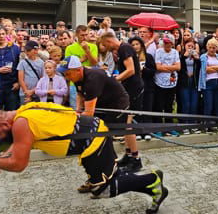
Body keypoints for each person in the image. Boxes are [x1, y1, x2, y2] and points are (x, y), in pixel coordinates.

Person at [0, 102, 168, 214]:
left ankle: (152, 179)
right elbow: (17, 146)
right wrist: (2, 158)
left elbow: (19, 164)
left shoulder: (21, 124)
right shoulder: (24, 110)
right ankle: (153, 188)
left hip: (92, 140)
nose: (0, 138)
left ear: (4, 123)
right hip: (90, 135)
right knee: (103, 181)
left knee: (103, 189)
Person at [58, 56, 145, 176]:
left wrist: (73, 117)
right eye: (65, 74)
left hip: (117, 102)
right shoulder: (77, 76)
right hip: (104, 102)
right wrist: (78, 109)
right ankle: (127, 156)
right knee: (114, 130)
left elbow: (89, 114)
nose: (66, 77)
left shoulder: (92, 80)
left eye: (68, 74)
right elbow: (79, 94)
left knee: (120, 129)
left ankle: (134, 159)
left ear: (78, 70)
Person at [99, 33, 144, 165]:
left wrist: (115, 80)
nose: (105, 47)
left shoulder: (125, 48)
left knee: (127, 125)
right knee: (125, 124)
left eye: (105, 44)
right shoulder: (122, 50)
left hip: (134, 90)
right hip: (128, 89)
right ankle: (129, 154)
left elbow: (131, 70)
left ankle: (135, 158)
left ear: (109, 41)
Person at [199, 38, 218, 126]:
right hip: (208, 83)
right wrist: (217, 67)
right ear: (207, 47)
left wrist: (211, 68)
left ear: (217, 48)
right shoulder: (203, 57)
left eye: (214, 48)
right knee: (209, 105)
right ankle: (207, 124)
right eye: (210, 47)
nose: (212, 49)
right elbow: (205, 70)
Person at [153, 34, 180, 127]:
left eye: (169, 43)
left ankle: (169, 126)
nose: (167, 44)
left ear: (172, 43)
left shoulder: (175, 52)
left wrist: (164, 67)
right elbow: (158, 67)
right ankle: (159, 126)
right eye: (165, 42)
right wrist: (172, 67)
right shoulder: (158, 51)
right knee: (159, 105)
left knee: (169, 105)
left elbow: (178, 67)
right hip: (159, 82)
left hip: (172, 82)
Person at [178, 34, 201, 118]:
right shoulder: (181, 55)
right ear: (185, 46)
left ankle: (193, 123)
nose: (190, 47)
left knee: (194, 104)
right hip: (184, 81)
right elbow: (179, 67)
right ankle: (185, 124)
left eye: (192, 46)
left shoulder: (196, 56)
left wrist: (197, 59)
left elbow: (200, 68)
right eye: (189, 46)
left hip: (194, 81)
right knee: (186, 103)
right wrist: (184, 56)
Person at [17, 40, 44, 105]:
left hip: (37, 92)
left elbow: (42, 79)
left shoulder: (42, 63)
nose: (26, 52)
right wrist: (26, 92)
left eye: (29, 50)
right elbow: (21, 79)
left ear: (36, 51)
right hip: (24, 93)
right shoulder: (22, 63)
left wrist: (32, 91)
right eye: (25, 50)